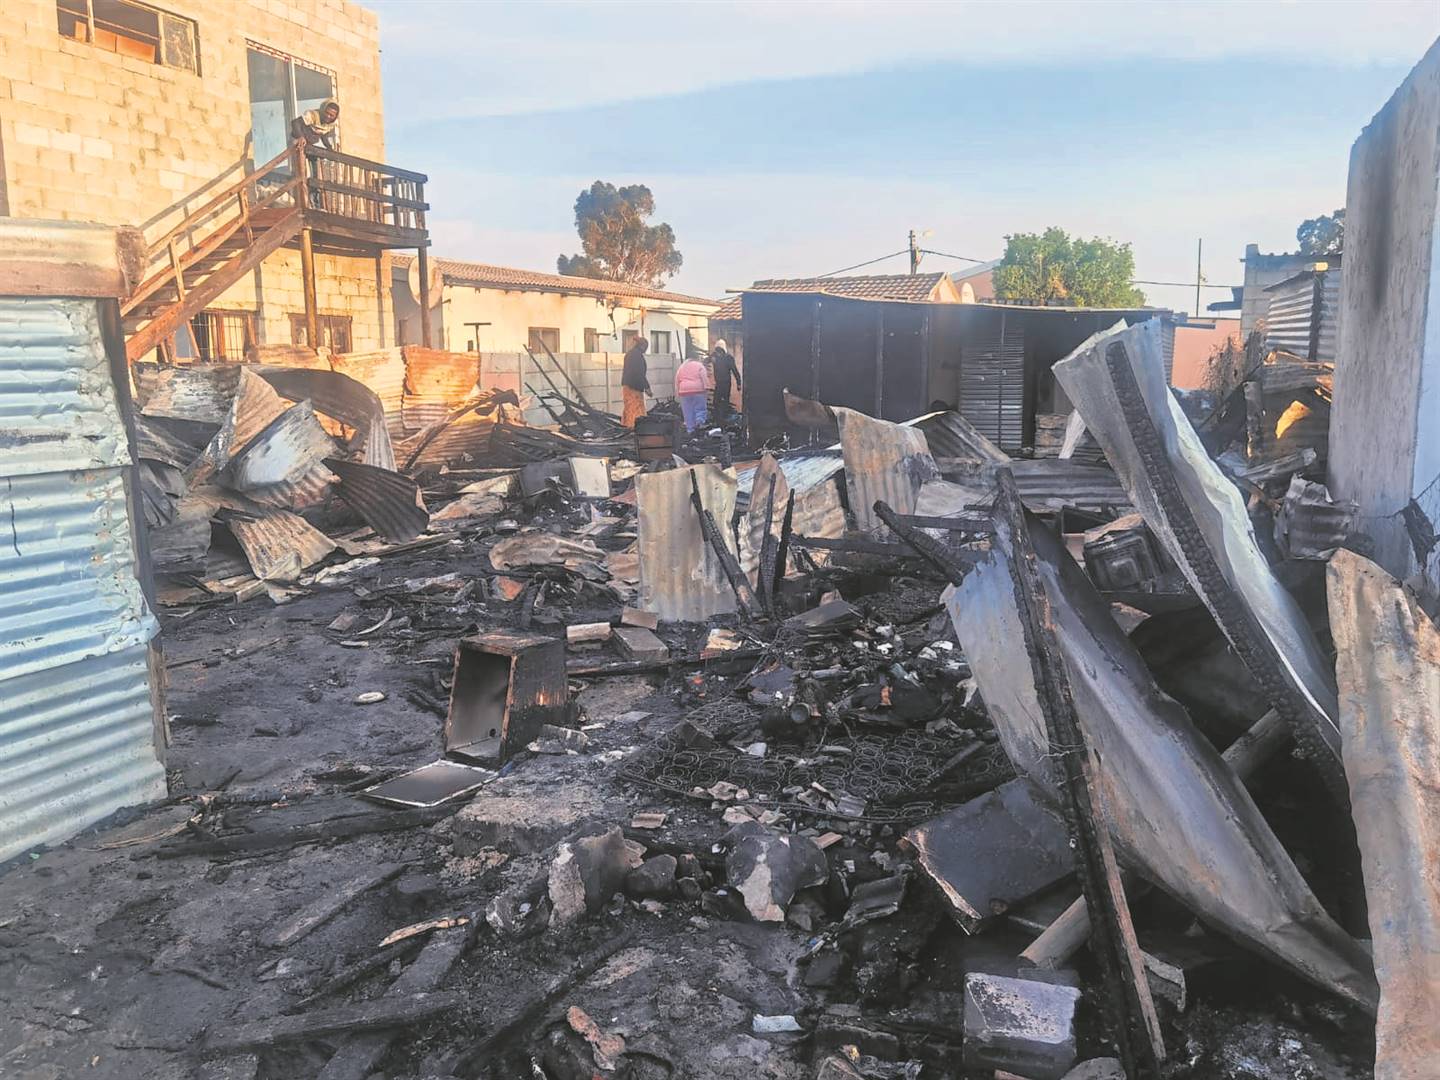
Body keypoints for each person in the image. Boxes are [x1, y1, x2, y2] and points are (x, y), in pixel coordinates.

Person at [675, 354, 712, 432]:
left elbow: (677, 380)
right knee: (700, 409)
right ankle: (699, 423)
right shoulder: (699, 365)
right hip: (698, 390)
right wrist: (707, 387)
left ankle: (690, 430)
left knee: (687, 411)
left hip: (684, 391)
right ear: (697, 358)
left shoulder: (682, 367)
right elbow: (704, 377)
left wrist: (678, 393)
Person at [621, 336, 651, 428]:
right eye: (646, 347)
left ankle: (626, 427)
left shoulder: (630, 354)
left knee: (628, 409)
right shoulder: (637, 356)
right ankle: (634, 429)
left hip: (627, 387)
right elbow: (639, 373)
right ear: (642, 346)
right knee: (636, 411)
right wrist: (647, 387)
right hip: (634, 389)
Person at [710, 339, 741, 421]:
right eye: (717, 351)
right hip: (718, 383)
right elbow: (707, 360)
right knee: (716, 402)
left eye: (719, 351)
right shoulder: (714, 356)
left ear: (723, 350)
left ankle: (724, 418)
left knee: (724, 401)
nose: (718, 353)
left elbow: (735, 371)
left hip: (726, 383)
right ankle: (717, 419)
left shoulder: (728, 358)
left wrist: (738, 383)